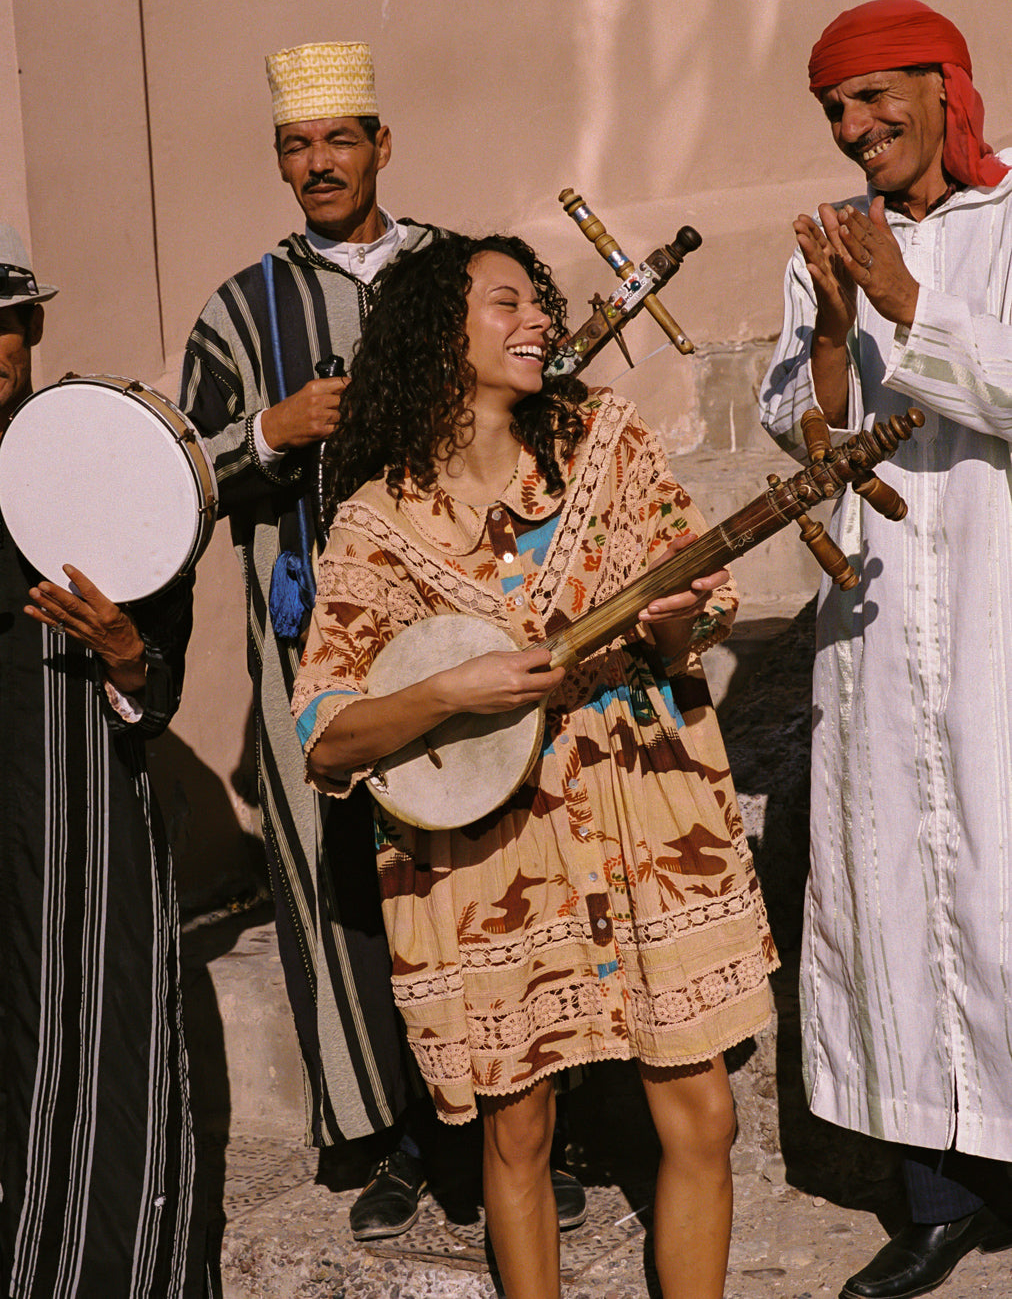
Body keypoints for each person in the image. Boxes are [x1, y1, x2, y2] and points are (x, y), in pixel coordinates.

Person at [292, 231, 778, 1299]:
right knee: (518, 1133)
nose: (539, 321)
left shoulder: (607, 441)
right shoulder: (378, 523)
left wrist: (674, 620)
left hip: (647, 816)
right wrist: (448, 694)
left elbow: (692, 622)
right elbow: (328, 732)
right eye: (504, 302)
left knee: (703, 1111)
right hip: (492, 860)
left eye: (538, 303)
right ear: (439, 334)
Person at [178, 43, 585, 1236]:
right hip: (312, 644)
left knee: (495, 868)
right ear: (279, 161)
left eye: (339, 140)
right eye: (297, 146)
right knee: (349, 886)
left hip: (468, 620)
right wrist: (269, 430)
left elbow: (541, 392)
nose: (319, 163)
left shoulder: (456, 274)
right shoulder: (237, 309)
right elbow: (178, 477)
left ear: (381, 146)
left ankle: (530, 1130)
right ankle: (404, 1135)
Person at [760, 0, 1012, 1299]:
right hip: (876, 626)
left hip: (995, 618)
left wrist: (909, 305)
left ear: (945, 85)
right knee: (900, 900)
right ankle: (937, 1202)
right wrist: (829, 325)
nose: (855, 128)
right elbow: (804, 437)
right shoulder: (830, 244)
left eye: (873, 98)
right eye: (834, 111)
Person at [0, 227, 211, 1296]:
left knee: (85, 1048)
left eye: (1, 323)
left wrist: (126, 654)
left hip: (74, 829)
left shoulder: (106, 461)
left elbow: (156, 684)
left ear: (33, 325)